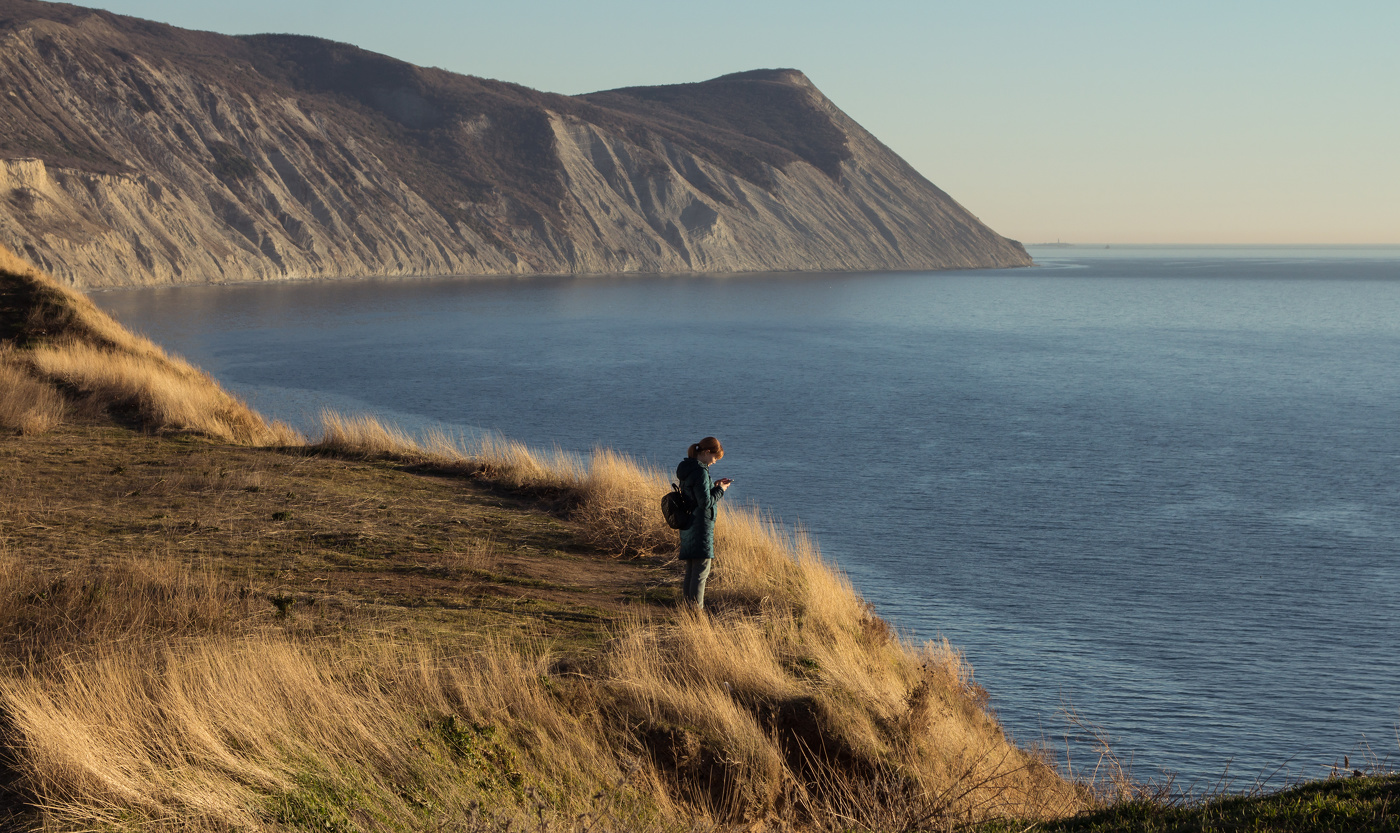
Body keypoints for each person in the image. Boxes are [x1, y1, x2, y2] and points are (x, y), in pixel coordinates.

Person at [676, 436, 731, 610]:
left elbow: (697, 495)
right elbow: (705, 502)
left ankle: (688, 610)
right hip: (700, 527)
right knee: (701, 572)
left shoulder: (688, 468)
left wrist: (713, 487)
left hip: (689, 524)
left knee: (692, 570)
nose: (715, 462)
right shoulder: (700, 471)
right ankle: (696, 613)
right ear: (707, 452)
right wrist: (720, 490)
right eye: (715, 458)